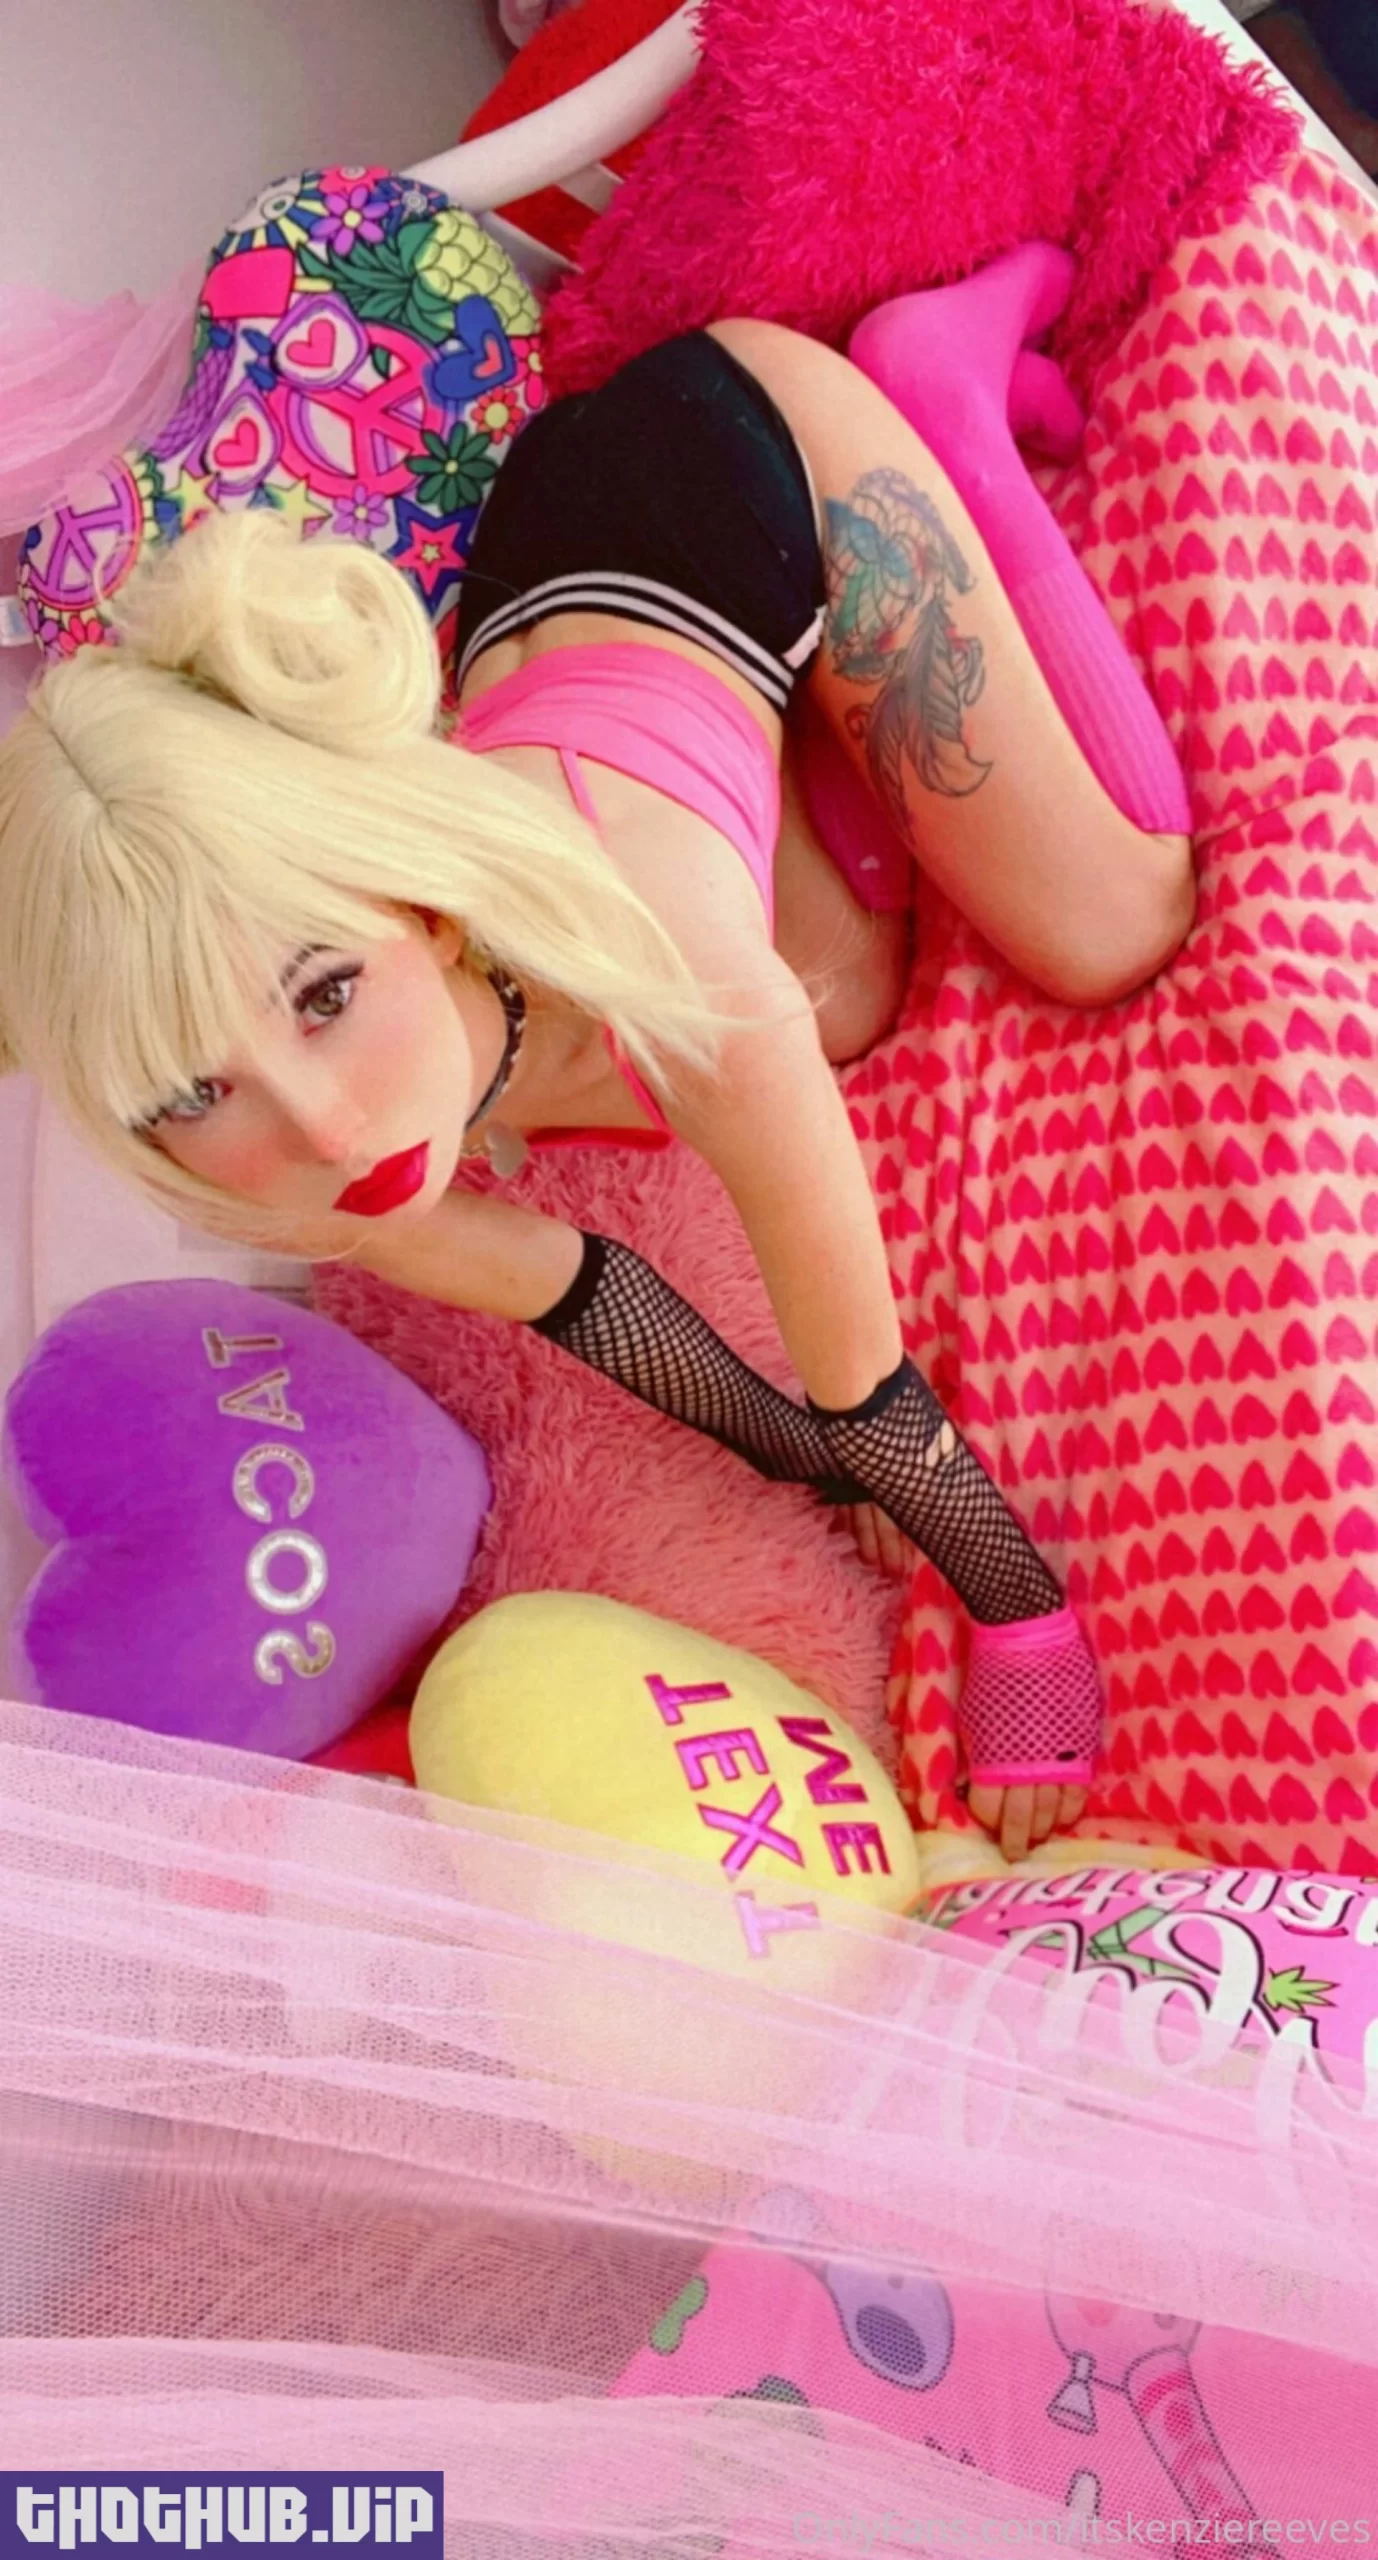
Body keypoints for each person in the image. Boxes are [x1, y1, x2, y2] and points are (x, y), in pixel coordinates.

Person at [0, 247, 1196, 1862]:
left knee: (1110, 926)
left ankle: (940, 393)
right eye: (195, 1092)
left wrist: (1016, 1612)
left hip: (747, 457)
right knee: (837, 1007)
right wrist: (807, 1461)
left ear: (420, 911)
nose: (326, 1128)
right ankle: (794, 737)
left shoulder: (668, 949)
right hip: (566, 599)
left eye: (324, 994)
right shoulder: (306, 1162)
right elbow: (593, 1298)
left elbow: (864, 1382)